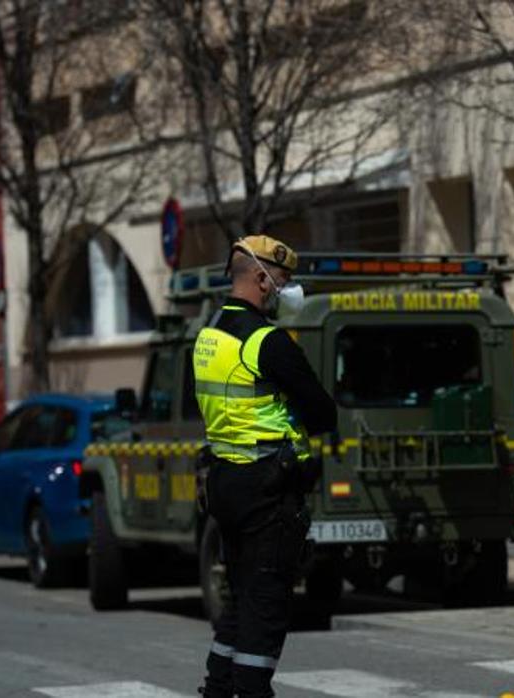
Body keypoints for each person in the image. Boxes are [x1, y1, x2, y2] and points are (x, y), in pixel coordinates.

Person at [196, 235, 337, 698]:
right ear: (260, 279)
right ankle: (252, 691)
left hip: (225, 483)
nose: (288, 290)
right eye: (284, 280)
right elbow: (323, 413)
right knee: (267, 603)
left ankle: (218, 688)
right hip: (268, 491)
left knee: (241, 597)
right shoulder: (268, 342)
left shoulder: (209, 335)